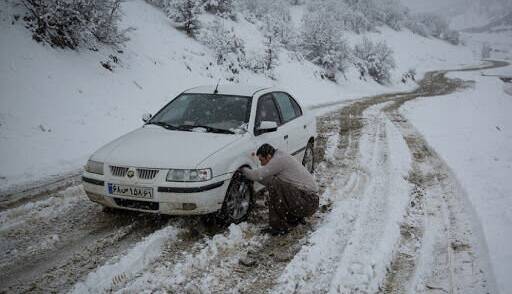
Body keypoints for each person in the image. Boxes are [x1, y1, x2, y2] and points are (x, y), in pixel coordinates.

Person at [241, 143, 319, 236]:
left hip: (308, 202)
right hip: (308, 201)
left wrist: (242, 170)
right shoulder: (280, 156)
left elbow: (259, 175)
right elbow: (265, 178)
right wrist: (254, 176)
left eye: (262, 160)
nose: (261, 164)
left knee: (275, 186)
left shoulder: (278, 160)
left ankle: (279, 227)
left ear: (269, 156)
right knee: (278, 184)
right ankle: (294, 218)